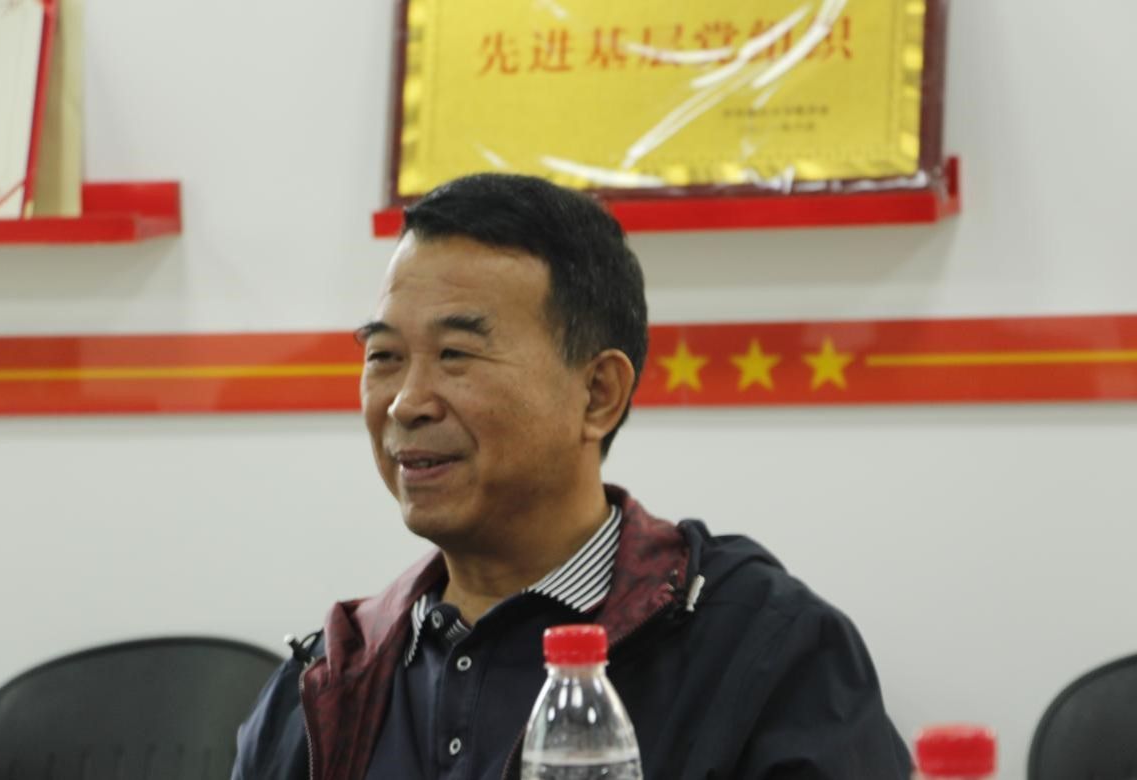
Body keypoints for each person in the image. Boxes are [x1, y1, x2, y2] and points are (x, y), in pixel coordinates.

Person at [232, 173, 912, 779]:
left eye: (456, 354)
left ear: (597, 394)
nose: (407, 403)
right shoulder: (329, 681)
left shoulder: (760, 649)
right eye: (384, 356)